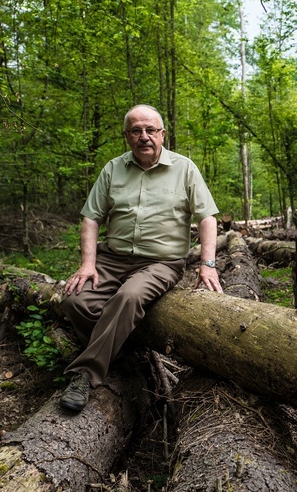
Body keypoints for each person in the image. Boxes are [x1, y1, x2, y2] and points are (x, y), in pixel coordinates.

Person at [58, 104, 223, 412]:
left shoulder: (185, 169)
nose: (144, 137)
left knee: (129, 296)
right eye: (136, 131)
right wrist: (88, 264)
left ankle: (85, 374)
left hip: (162, 263)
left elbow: (207, 218)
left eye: (151, 130)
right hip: (112, 258)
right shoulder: (113, 169)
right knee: (74, 300)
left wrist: (207, 264)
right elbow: (91, 218)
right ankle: (123, 349)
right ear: (126, 136)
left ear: (162, 134)